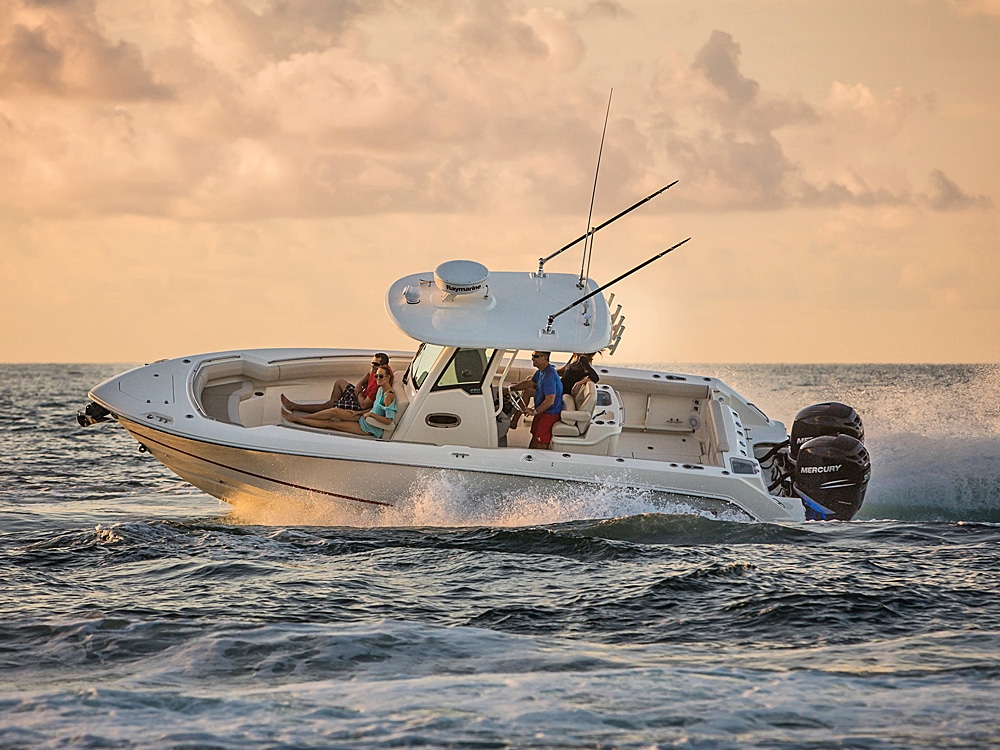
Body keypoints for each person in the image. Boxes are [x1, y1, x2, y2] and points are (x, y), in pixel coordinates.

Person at [282, 365, 397, 438]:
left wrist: (371, 414)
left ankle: (298, 420)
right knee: (334, 411)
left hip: (370, 427)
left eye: (380, 376)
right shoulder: (381, 390)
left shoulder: (388, 396)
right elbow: (375, 407)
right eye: (376, 376)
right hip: (363, 417)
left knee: (331, 424)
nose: (377, 379)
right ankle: (304, 417)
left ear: (388, 378)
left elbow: (388, 421)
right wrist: (359, 413)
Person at [281, 352, 389, 414]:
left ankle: (295, 407)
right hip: (360, 395)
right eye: (372, 363)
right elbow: (367, 375)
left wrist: (359, 392)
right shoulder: (379, 371)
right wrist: (360, 384)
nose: (372, 366)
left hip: (360, 405)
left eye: (375, 364)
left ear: (383, 366)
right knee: (340, 382)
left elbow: (364, 405)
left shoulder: (379, 383)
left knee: (331, 405)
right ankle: (332, 404)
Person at [510, 351, 563, 449]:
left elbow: (550, 400)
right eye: (532, 356)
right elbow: (529, 383)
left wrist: (534, 411)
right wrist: (511, 389)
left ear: (545, 358)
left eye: (536, 356)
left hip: (549, 414)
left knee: (540, 443)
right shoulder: (542, 371)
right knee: (535, 437)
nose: (532, 358)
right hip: (542, 411)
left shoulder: (549, 376)